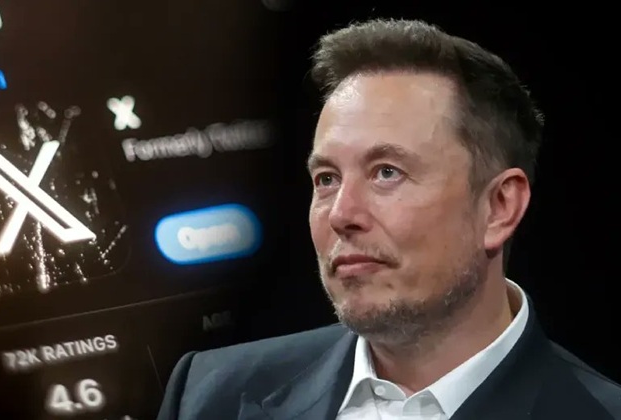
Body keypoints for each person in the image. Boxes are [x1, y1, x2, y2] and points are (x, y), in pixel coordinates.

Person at [156, 18, 621, 420]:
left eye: (386, 173)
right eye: (326, 179)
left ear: (499, 207)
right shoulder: (210, 393)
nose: (342, 215)